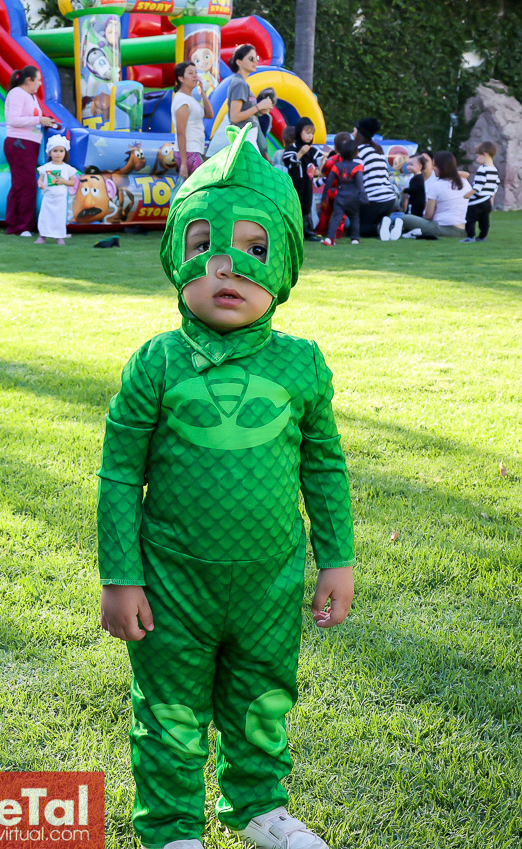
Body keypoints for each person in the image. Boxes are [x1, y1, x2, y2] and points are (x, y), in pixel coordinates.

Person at [98, 123, 354, 849]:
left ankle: (259, 807)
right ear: (176, 255)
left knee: (264, 696)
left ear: (284, 263)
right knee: (170, 707)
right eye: (205, 245)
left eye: (254, 249)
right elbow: (120, 472)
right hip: (172, 580)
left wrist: (336, 558)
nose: (226, 268)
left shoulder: (301, 364)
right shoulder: (156, 363)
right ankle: (172, 827)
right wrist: (121, 576)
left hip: (270, 581)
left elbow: (324, 466)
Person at [4, 65, 60, 236]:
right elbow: (13, 120)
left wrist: (45, 122)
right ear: (29, 80)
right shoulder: (17, 93)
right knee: (26, 185)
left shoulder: (31, 96)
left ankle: (15, 224)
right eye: (38, 80)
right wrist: (38, 119)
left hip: (29, 144)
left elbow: (31, 118)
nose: (40, 84)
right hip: (19, 143)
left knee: (21, 184)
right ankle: (22, 226)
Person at [383, 150, 473, 240]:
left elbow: (428, 216)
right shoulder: (465, 182)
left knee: (405, 218)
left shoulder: (437, 185)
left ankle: (391, 227)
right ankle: (408, 231)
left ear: (442, 167)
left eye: (435, 166)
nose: (433, 168)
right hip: (463, 230)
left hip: (443, 228)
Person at [215, 45, 273, 156]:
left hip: (248, 138)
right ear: (239, 62)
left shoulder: (242, 83)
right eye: (251, 58)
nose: (255, 61)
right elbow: (234, 117)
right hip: (245, 138)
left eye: (256, 58)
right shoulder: (239, 84)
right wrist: (259, 106)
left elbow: (244, 113)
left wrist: (260, 110)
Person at [352, 117, 398, 238]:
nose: (352, 134)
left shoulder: (358, 152)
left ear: (359, 133)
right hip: (389, 198)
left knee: (356, 229)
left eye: (354, 131)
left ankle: (380, 228)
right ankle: (391, 227)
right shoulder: (378, 150)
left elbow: (356, 176)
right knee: (373, 223)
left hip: (373, 199)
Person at [281, 117, 323, 241]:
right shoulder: (292, 149)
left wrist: (318, 171)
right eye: (307, 132)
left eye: (312, 133)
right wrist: (300, 153)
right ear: (299, 132)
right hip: (295, 184)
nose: (310, 136)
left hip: (307, 183)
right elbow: (289, 164)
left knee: (307, 206)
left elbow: (318, 164)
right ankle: (293, 233)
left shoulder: (312, 150)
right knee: (294, 207)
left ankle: (308, 232)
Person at [172, 61, 213, 180]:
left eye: (196, 72)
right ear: (181, 78)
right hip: (189, 152)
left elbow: (209, 114)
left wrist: (203, 94)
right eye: (190, 73)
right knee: (202, 183)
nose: (195, 76)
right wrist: (184, 163)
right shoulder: (182, 101)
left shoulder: (190, 99)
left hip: (194, 150)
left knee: (195, 186)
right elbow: (181, 132)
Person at [36, 135, 78, 244]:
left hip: (60, 199)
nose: (58, 154)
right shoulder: (46, 167)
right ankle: (42, 235)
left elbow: (72, 182)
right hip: (48, 198)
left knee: (59, 218)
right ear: (50, 153)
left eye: (61, 151)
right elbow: (41, 179)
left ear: (65, 153)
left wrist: (63, 181)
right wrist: (41, 184)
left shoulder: (68, 168)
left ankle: (59, 236)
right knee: (45, 217)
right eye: (55, 151)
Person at [321, 140, 364, 245]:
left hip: (340, 197)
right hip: (353, 198)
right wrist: (364, 196)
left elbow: (328, 182)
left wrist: (324, 195)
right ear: (356, 154)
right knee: (354, 217)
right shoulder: (358, 166)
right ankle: (355, 239)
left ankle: (330, 238)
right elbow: (360, 183)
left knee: (336, 217)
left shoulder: (336, 166)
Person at [462, 141, 499, 242]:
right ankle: (482, 236)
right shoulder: (494, 170)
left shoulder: (482, 169)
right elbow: (495, 185)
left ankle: (470, 236)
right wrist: (492, 198)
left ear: (485, 155)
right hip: (487, 200)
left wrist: (469, 194)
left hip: (477, 201)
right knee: (484, 220)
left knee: (470, 219)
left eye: (478, 156)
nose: (477, 159)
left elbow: (479, 185)